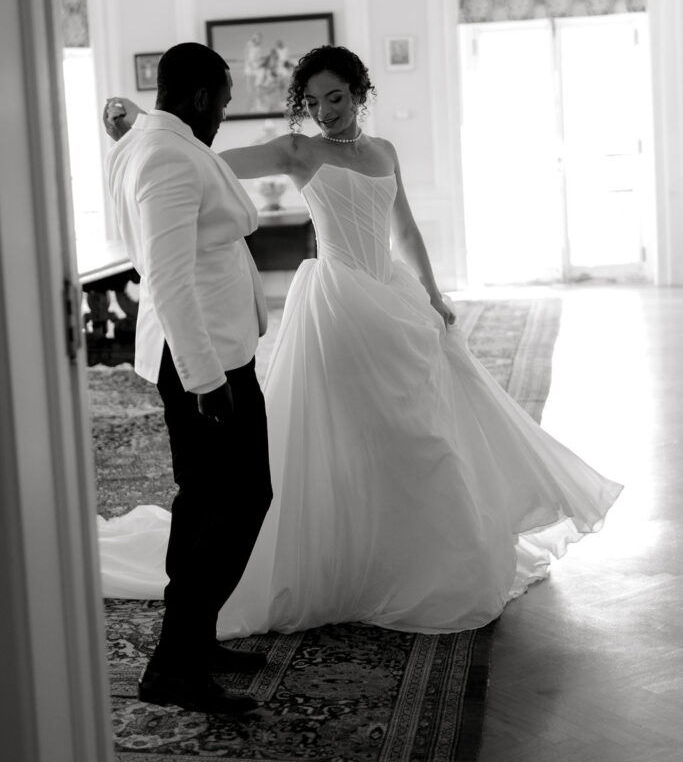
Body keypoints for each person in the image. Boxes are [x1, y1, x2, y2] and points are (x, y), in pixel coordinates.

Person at [101, 44, 622, 640]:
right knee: (350, 433)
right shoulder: (297, 151)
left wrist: (433, 293)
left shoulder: (385, 152)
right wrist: (140, 124)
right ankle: (342, 559)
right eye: (313, 102)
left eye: (336, 98)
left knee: (419, 430)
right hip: (338, 304)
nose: (325, 112)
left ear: (359, 94)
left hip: (392, 298)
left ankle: (417, 557)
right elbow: (202, 158)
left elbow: (406, 228)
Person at [104, 42, 273, 713]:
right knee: (226, 507)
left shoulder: (155, 140)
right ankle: (174, 667)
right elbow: (168, 277)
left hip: (213, 355)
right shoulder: (167, 156)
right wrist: (205, 379)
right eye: (223, 103)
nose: (224, 115)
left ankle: (195, 642)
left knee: (221, 502)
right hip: (203, 364)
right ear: (200, 97)